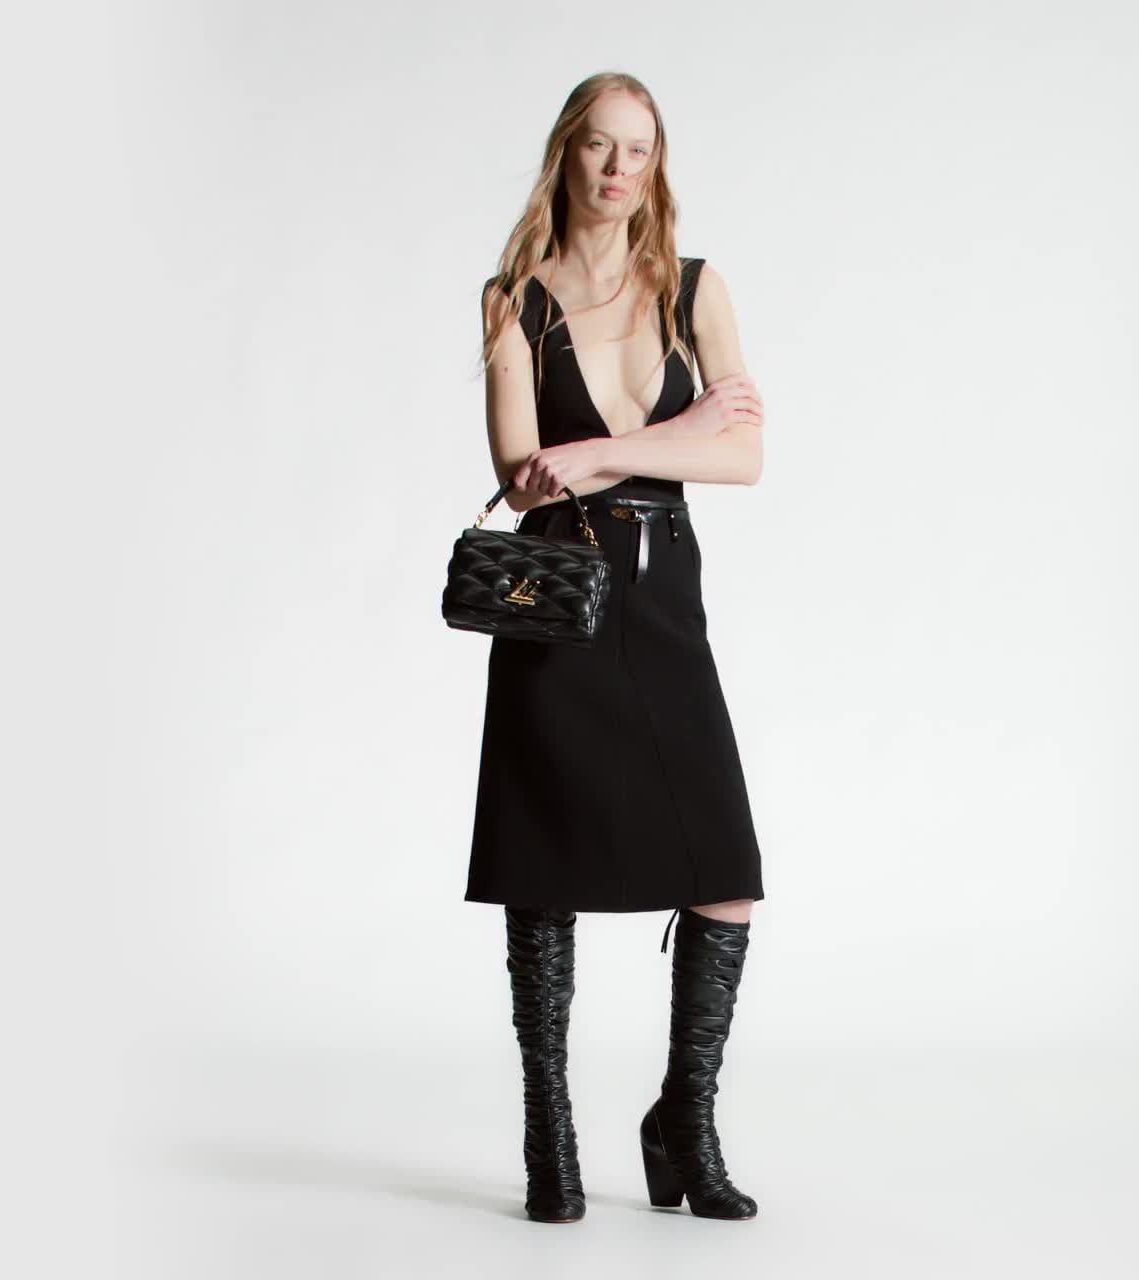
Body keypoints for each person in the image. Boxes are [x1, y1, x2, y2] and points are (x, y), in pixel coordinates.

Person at [467, 72, 767, 1224]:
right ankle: (548, 1135)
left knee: (724, 870)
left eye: (637, 150)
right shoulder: (512, 298)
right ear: (566, 153)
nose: (616, 170)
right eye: (598, 146)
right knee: (542, 866)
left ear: (656, 164)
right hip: (557, 597)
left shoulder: (694, 289)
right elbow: (518, 473)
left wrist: (599, 453)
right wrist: (668, 434)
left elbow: (742, 456)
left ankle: (683, 1119)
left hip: (663, 595)